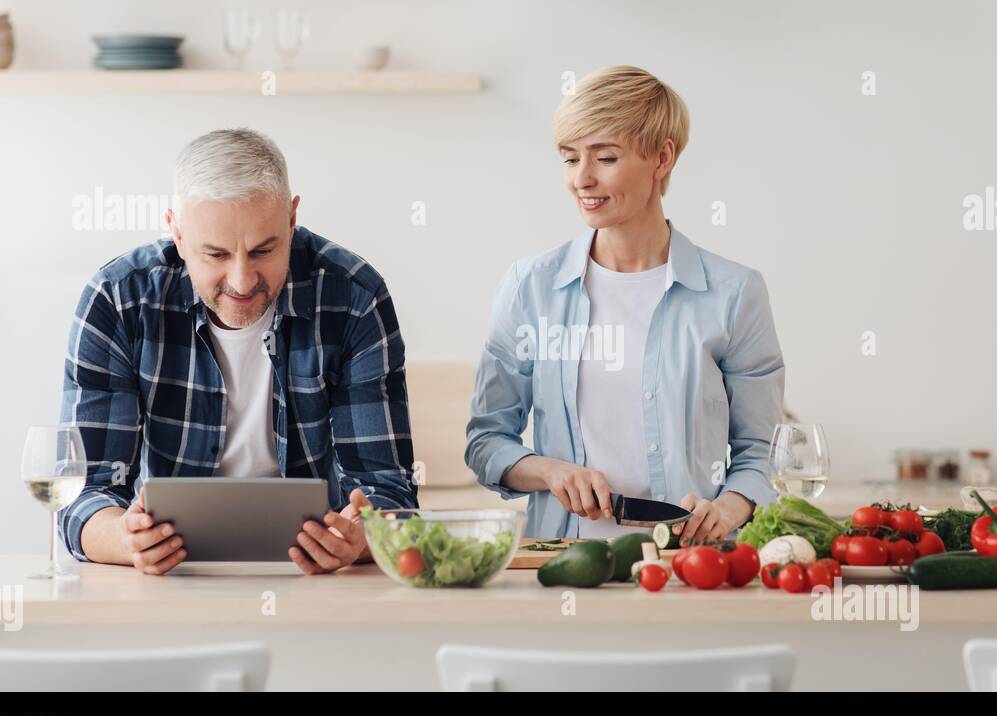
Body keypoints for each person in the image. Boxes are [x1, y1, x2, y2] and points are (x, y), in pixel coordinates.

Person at [59, 128, 416, 574]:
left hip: (316, 580)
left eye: (264, 250)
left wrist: (362, 539)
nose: (243, 281)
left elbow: (390, 491)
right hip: (172, 579)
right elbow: (82, 492)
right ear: (177, 233)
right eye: (216, 255)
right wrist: (124, 538)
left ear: (291, 219)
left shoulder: (355, 298)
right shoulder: (117, 300)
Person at [465, 66, 785, 543]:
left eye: (606, 158)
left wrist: (726, 510)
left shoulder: (734, 293)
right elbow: (486, 441)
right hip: (565, 564)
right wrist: (551, 471)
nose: (582, 179)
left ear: (662, 158)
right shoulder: (530, 287)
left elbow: (762, 452)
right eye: (570, 159)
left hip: (693, 567)